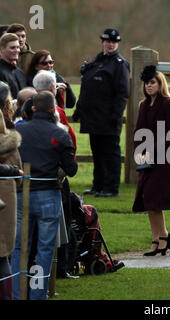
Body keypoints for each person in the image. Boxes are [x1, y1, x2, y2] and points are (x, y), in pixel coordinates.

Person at [11, 91, 77, 300]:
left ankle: (16, 293)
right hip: (48, 194)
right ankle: (37, 294)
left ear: (32, 108)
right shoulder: (59, 134)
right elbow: (71, 169)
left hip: (22, 193)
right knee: (45, 250)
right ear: (52, 109)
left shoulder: (19, 130)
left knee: (19, 248)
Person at [132, 65, 170, 256]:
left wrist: (151, 150)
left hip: (165, 159)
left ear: (160, 84)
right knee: (148, 199)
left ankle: (162, 238)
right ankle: (159, 237)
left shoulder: (169, 104)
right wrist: (140, 152)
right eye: (147, 83)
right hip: (147, 159)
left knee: (154, 199)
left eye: (153, 82)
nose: (149, 86)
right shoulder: (144, 105)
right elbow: (139, 132)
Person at [74, 28, 130, 197]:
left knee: (110, 154)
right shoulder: (98, 60)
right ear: (102, 42)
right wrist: (79, 108)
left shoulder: (120, 64)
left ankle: (111, 188)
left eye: (114, 42)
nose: (110, 44)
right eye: (107, 41)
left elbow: (122, 92)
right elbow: (87, 88)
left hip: (108, 118)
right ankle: (98, 185)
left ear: (117, 43)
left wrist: (116, 115)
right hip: (94, 117)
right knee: (97, 152)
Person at [0, 89, 23, 300]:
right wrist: (14, 172)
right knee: (3, 254)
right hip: (5, 194)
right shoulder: (7, 135)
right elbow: (16, 169)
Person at [0, 33, 26, 99]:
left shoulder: (20, 73)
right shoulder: (0, 72)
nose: (16, 50)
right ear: (2, 49)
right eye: (12, 48)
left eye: (18, 47)